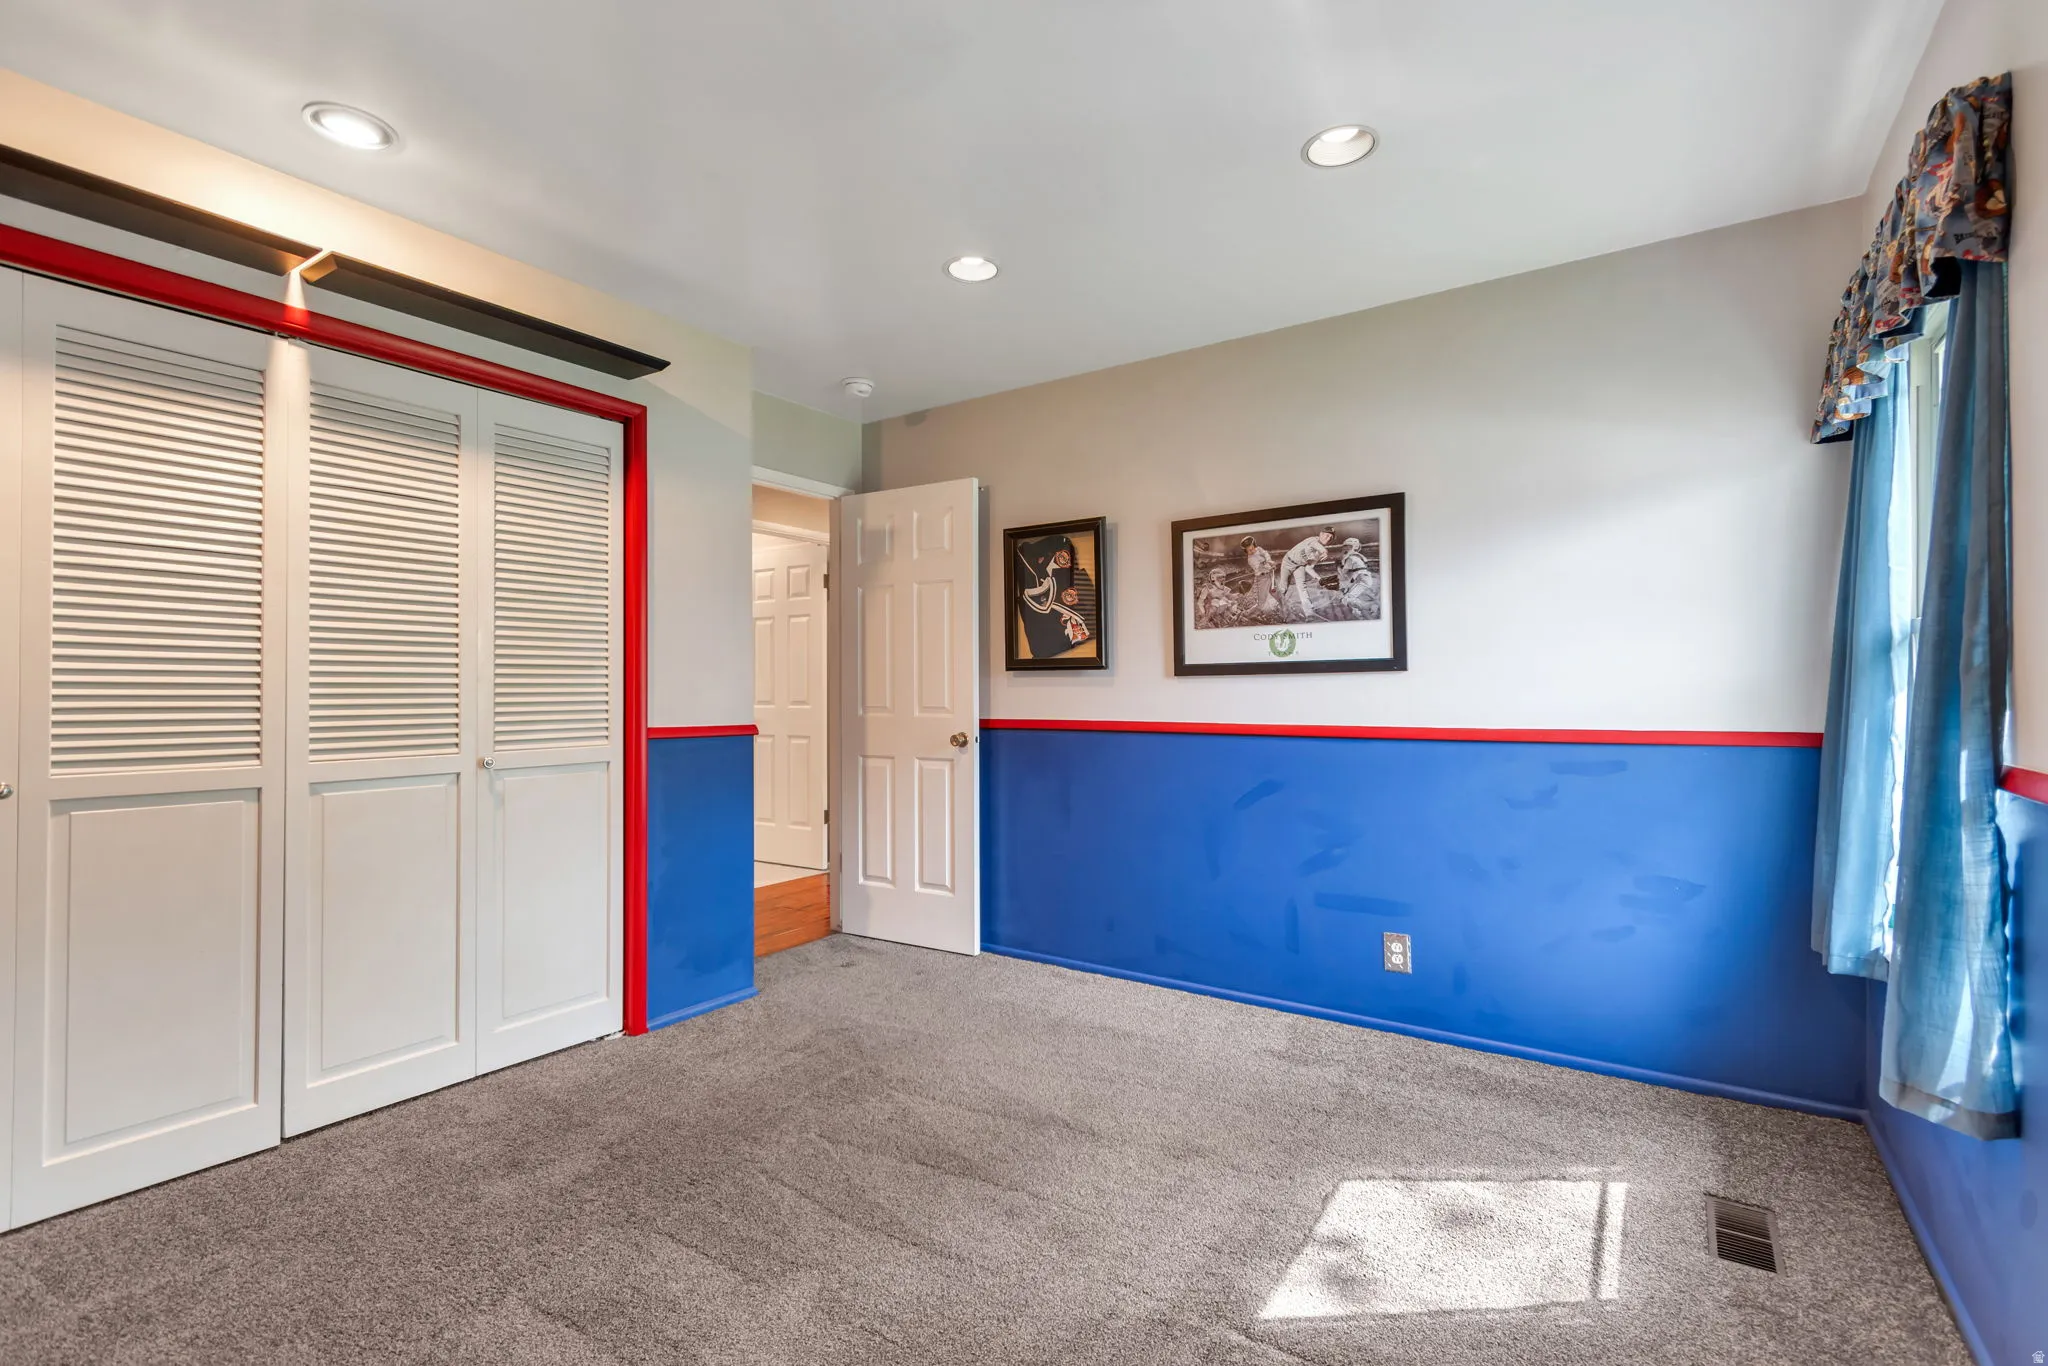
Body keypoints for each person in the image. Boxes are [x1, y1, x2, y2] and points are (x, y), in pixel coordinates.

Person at [1277, 527, 1336, 618]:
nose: (1328, 538)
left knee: (1302, 587)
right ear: (1321, 534)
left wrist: (1319, 578)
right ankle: (1278, 607)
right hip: (1288, 562)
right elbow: (1317, 546)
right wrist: (1325, 551)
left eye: (1331, 538)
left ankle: (1309, 612)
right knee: (1283, 588)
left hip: (1300, 566)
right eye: (1327, 535)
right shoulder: (1313, 540)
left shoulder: (1319, 554)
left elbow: (1308, 567)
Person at [1338, 536, 1377, 619]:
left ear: (1352, 547)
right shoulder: (1358, 556)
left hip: (1362, 579)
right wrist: (1348, 586)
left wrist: (1340, 565)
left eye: (1347, 546)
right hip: (1363, 578)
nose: (1345, 548)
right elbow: (1353, 575)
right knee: (1347, 596)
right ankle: (1357, 613)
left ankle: (1369, 607)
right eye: (1345, 546)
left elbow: (1344, 573)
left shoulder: (1351, 558)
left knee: (1347, 599)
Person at [1240, 535, 1277, 615]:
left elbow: (1266, 553)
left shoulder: (1259, 549)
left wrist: (1269, 560)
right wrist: (1270, 566)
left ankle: (1288, 615)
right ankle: (1247, 613)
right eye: (1249, 550)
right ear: (1246, 551)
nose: (1252, 551)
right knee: (1261, 604)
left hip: (1270, 575)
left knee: (1279, 595)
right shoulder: (1250, 560)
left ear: (1254, 545)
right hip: (1262, 578)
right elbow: (1260, 568)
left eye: (1252, 548)